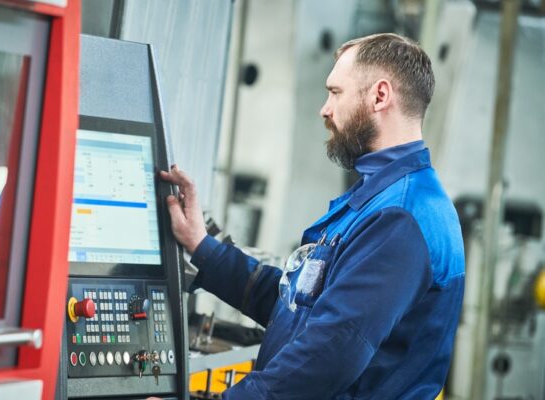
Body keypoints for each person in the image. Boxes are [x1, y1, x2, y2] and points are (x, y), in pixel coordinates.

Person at [158, 33, 465, 399]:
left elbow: (325, 358)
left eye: (335, 92)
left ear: (380, 96)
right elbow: (297, 307)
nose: (325, 108)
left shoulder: (400, 217)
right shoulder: (383, 200)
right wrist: (202, 245)